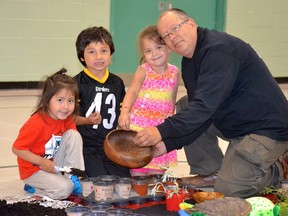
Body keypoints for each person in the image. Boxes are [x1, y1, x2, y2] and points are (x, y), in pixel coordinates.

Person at [134, 8, 288, 198]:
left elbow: (203, 108)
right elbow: (200, 115)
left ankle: (279, 168)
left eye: (175, 28)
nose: (172, 37)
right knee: (186, 104)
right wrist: (167, 144)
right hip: (236, 126)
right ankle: (210, 172)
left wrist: (160, 131)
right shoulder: (190, 61)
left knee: (230, 190)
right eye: (166, 36)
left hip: (266, 130)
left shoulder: (219, 49)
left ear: (191, 23)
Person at [12, 68, 85, 200]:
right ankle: (37, 189)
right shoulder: (37, 122)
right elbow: (17, 148)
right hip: (33, 170)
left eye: (70, 101)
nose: (66, 107)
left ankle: (73, 176)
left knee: (74, 135)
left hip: (52, 166)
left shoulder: (66, 119)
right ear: (47, 100)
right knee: (65, 189)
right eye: (60, 100)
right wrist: (41, 161)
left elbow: (72, 145)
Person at [118, 25, 180, 177]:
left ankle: (154, 198)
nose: (154, 54)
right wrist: (124, 112)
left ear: (169, 47)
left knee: (156, 175)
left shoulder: (175, 72)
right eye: (148, 51)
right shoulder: (143, 70)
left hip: (160, 130)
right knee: (138, 173)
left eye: (158, 47)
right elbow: (131, 92)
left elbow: (172, 98)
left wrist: (171, 119)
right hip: (139, 128)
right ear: (144, 54)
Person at [74, 26, 130, 177]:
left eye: (104, 51)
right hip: (87, 146)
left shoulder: (117, 82)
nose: (99, 57)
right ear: (81, 57)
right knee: (99, 181)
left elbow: (122, 112)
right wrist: (86, 120)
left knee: (124, 181)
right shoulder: (76, 83)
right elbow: (69, 118)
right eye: (91, 52)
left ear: (111, 54)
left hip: (111, 145)